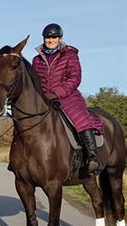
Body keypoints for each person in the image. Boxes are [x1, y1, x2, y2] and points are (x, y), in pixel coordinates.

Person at [32, 23, 104, 174]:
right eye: (48, 37)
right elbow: (34, 82)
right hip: (44, 99)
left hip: (68, 96)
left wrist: (57, 93)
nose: (50, 40)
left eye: (54, 37)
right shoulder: (36, 60)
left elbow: (74, 78)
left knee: (80, 118)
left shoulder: (70, 55)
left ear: (59, 38)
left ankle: (92, 157)